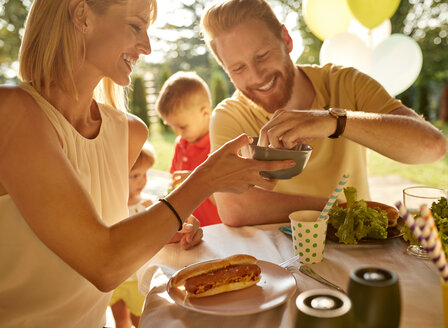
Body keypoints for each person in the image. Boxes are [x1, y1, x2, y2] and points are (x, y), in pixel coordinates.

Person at [0, 0, 295, 326]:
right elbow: (103, 263)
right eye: (136, 26)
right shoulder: (12, 113)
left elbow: (95, 236)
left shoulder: (127, 132)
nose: (148, 47)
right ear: (82, 15)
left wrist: (162, 228)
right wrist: (204, 179)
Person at [200, 0, 447, 227]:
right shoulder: (228, 116)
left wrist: (335, 121)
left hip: (359, 252)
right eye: (238, 68)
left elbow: (432, 147)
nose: (256, 76)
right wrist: (342, 210)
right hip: (279, 264)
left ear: (286, 40)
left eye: (262, 56)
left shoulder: (346, 82)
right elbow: (235, 209)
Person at [156, 71, 221, 226]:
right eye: (171, 127)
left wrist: (198, 181)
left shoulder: (219, 145)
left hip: (219, 231)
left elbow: (229, 200)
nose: (177, 134)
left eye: (182, 126)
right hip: (191, 231)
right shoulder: (181, 144)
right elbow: (173, 181)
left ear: (205, 112)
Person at [109, 142, 155, 328]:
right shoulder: (109, 206)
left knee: (140, 321)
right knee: (120, 320)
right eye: (135, 175)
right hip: (115, 281)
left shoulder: (147, 205)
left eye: (145, 174)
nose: (142, 181)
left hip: (137, 279)